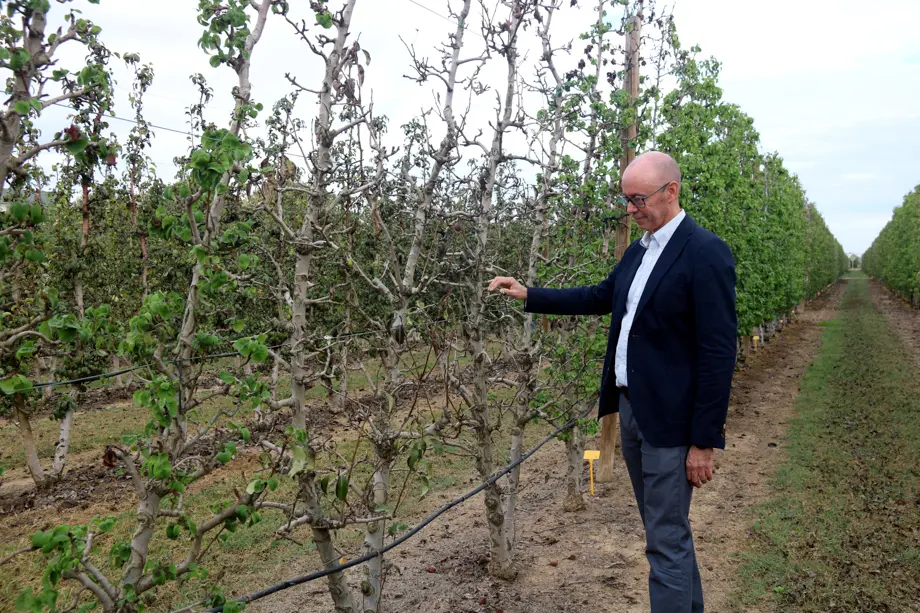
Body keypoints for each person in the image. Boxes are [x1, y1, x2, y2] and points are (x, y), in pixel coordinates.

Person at [488, 151, 737, 612]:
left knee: (664, 539)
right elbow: (601, 296)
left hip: (672, 423)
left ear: (672, 191)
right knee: (665, 533)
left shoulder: (705, 253)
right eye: (626, 200)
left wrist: (704, 440)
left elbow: (719, 353)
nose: (631, 209)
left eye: (639, 199)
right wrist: (530, 294)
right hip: (632, 410)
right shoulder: (638, 252)